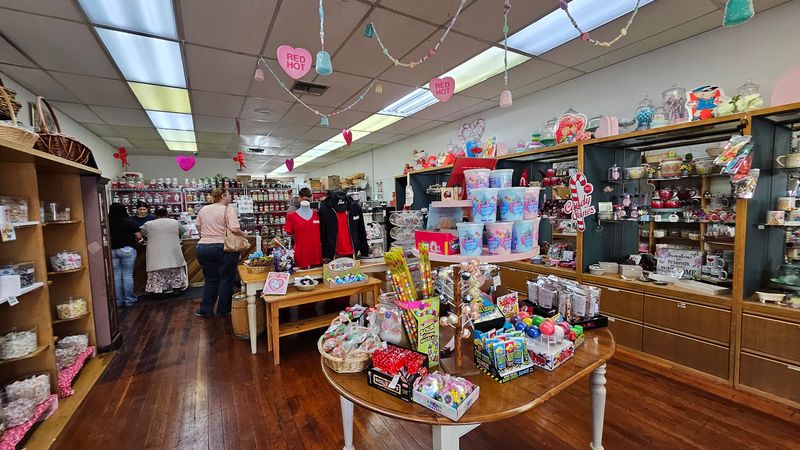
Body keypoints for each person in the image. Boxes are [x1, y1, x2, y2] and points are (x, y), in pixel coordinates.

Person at [194, 188, 246, 317]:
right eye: (229, 195)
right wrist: (243, 234)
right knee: (226, 279)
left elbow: (198, 227)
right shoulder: (228, 209)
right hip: (223, 247)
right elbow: (234, 228)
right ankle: (224, 309)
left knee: (211, 279)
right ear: (223, 196)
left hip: (203, 247)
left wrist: (206, 237)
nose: (231, 197)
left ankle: (206, 310)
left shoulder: (203, 209)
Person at [141, 208, 188, 296]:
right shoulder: (174, 222)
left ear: (155, 215)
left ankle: (159, 292)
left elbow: (142, 234)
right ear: (167, 214)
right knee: (175, 270)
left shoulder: (148, 224)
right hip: (173, 252)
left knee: (157, 273)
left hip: (155, 253)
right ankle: (176, 289)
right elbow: (183, 231)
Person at [108, 203, 142, 307]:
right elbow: (138, 236)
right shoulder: (129, 221)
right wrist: (134, 241)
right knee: (127, 275)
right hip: (127, 249)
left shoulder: (107, 222)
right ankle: (129, 300)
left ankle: (118, 301)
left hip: (112, 251)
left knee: (116, 276)